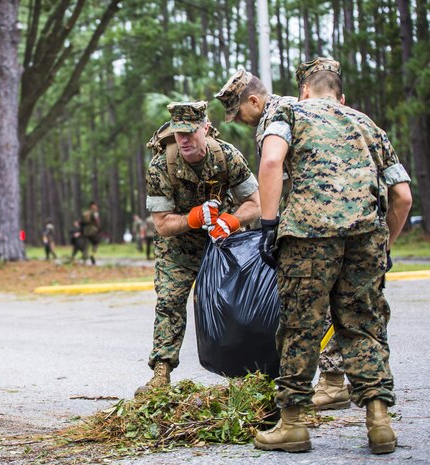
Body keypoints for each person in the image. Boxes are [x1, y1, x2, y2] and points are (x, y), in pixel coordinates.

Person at [256, 57, 412, 454]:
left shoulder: (288, 110)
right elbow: (402, 195)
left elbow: (272, 160)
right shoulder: (367, 124)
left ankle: (291, 424)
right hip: (366, 237)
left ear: (305, 89)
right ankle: (379, 424)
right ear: (341, 96)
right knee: (364, 326)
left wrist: (269, 225)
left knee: (301, 326)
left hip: (309, 237)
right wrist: (384, 244)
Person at [216, 70, 348, 411]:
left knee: (307, 304)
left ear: (254, 101)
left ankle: (301, 394)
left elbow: (281, 175)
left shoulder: (274, 119)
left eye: (238, 112)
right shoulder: (304, 106)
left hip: (315, 222)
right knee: (344, 300)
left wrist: (271, 227)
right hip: (353, 214)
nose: (238, 121)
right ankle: (334, 381)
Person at [137, 100, 260, 395]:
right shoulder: (160, 166)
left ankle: (245, 373)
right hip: (178, 249)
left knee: (236, 306)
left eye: (190, 132)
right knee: (169, 303)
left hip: (221, 244)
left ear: (205, 129)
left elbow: (255, 205)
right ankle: (161, 374)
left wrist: (231, 221)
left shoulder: (227, 157)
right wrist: (193, 218)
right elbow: (163, 225)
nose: (184, 140)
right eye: (179, 133)